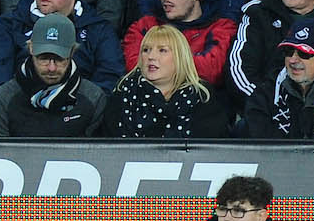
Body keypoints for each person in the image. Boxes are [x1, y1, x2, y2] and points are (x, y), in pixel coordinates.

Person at [93, 20, 231, 137]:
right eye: (146, 50)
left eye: (162, 50)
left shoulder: (201, 97)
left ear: (179, 57)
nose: (151, 57)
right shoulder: (123, 93)